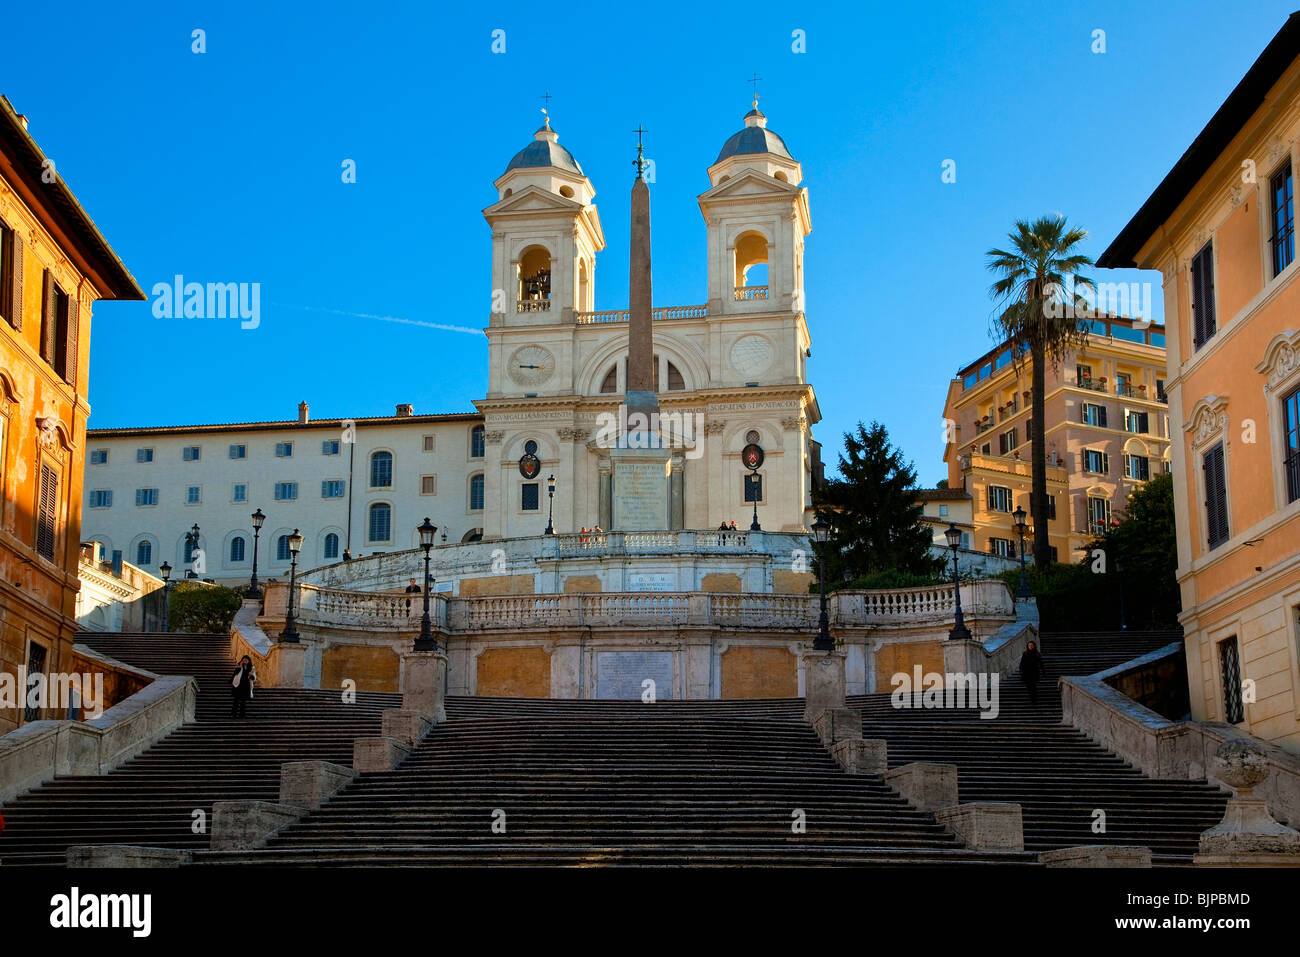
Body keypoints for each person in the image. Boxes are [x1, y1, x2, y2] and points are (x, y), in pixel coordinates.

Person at [1019, 640, 1045, 706]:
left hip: (1034, 673)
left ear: (1034, 646)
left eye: (1031, 645)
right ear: (1027, 646)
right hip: (1026, 673)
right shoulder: (1025, 654)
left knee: (1033, 686)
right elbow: (1022, 663)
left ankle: (1034, 700)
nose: (1030, 646)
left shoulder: (1037, 654)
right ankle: (1032, 698)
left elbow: (1041, 663)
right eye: (1029, 645)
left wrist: (1043, 672)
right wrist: (1021, 671)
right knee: (1029, 687)